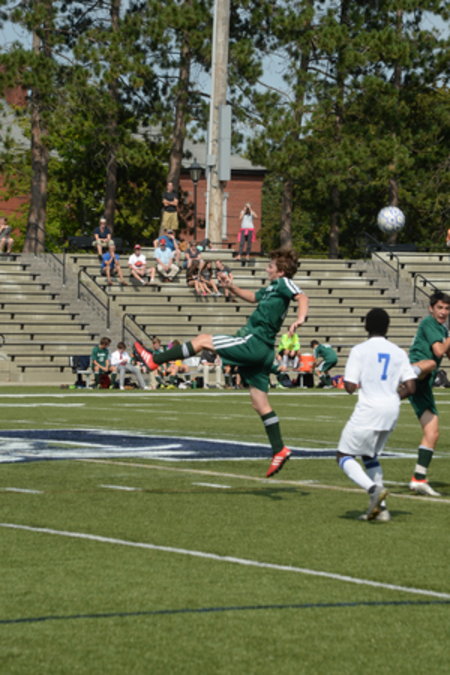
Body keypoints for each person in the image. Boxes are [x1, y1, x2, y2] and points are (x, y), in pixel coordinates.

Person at [134, 248, 309, 478]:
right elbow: (252, 297)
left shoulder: (285, 283)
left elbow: (302, 297)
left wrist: (300, 319)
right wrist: (231, 287)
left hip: (253, 341)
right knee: (260, 404)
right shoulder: (272, 288)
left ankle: (154, 360)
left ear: (282, 271)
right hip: (263, 349)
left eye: (271, 266)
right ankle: (279, 449)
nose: (268, 269)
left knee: (202, 340)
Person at [337, 308, 416, 521]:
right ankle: (382, 510)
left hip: (369, 408)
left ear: (366, 326)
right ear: (387, 327)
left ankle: (373, 490)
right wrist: (391, 396)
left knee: (343, 456)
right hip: (391, 409)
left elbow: (350, 387)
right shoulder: (398, 352)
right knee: (369, 456)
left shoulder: (360, 350)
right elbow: (411, 387)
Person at [406, 291, 450, 496]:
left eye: (447, 308)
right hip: (419, 370)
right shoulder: (428, 323)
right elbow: (439, 351)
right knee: (431, 363)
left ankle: (419, 478)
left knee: (432, 432)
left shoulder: (442, 329)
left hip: (423, 385)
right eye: (440, 307)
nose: (443, 312)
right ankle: (405, 377)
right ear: (431, 308)